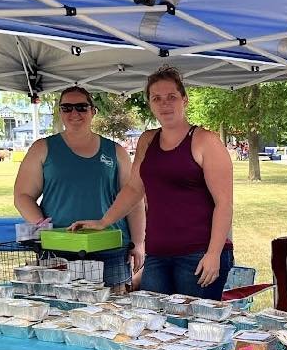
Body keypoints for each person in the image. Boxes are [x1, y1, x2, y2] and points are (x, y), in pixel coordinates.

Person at [70, 66, 234, 298]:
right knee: (155, 327)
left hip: (198, 255)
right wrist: (104, 221)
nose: (164, 104)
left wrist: (214, 254)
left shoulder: (205, 141)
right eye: (156, 98)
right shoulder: (148, 140)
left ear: (184, 100)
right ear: (150, 103)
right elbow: (134, 188)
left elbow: (224, 204)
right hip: (157, 255)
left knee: (195, 329)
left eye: (171, 97)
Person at [13, 85, 144, 289]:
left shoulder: (115, 151)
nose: (74, 113)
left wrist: (138, 242)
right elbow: (22, 195)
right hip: (58, 248)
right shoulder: (42, 148)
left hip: (111, 248)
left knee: (113, 310)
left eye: (82, 107)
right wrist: (41, 225)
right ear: (60, 112)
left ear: (93, 111)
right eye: (67, 108)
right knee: (60, 313)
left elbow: (134, 200)